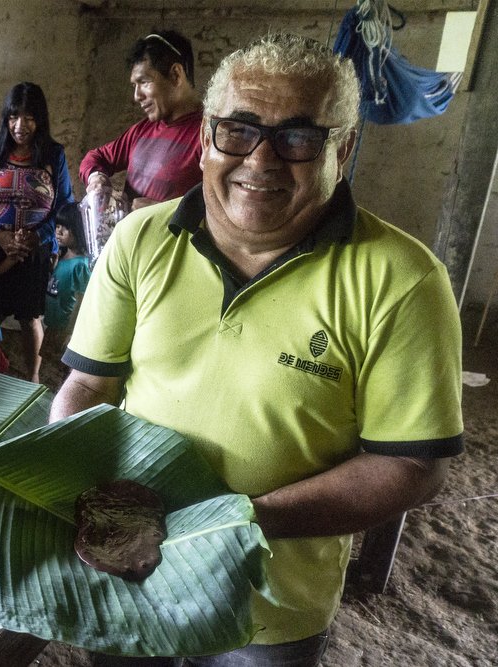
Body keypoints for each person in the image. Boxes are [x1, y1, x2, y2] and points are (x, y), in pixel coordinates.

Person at [51, 33, 463, 666]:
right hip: (131, 574)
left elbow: (411, 465)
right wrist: (79, 491)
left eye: (299, 138)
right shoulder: (140, 238)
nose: (262, 160)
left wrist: (240, 519)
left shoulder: (401, 278)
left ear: (344, 148)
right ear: (207, 136)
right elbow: (86, 385)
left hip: (268, 608)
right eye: (238, 131)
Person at [0, 82, 74, 383]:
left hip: (33, 250)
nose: (19, 125)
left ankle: (33, 378)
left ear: (39, 119)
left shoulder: (53, 155)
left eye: (28, 117)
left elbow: (65, 203)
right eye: (13, 117)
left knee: (30, 317)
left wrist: (38, 237)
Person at [80, 30, 203, 210]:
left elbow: (225, 213)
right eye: (134, 85)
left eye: (144, 82)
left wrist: (162, 213)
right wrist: (97, 178)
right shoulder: (141, 131)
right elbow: (96, 157)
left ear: (176, 74)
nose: (137, 96)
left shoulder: (209, 136)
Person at [42, 203, 91, 378]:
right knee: (48, 369)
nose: (59, 231)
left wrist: (72, 333)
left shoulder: (81, 265)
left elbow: (82, 300)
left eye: (66, 228)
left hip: (66, 329)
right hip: (53, 326)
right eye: (58, 226)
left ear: (80, 230)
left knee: (61, 374)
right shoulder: (62, 256)